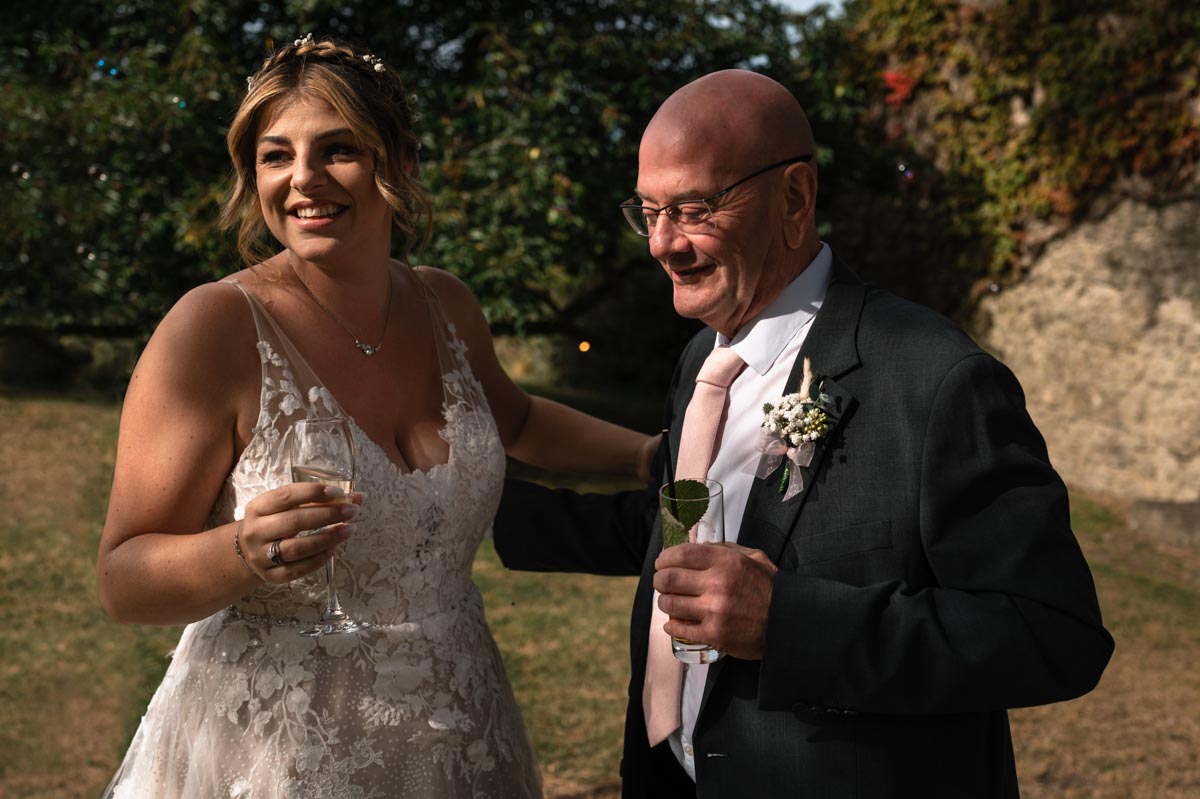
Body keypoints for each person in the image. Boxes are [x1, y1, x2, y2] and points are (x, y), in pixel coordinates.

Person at [493, 69, 1114, 797]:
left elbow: (1053, 633)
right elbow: (687, 521)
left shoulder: (935, 377)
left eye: (694, 208)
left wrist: (790, 622)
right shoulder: (703, 357)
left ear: (794, 198)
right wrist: (475, 513)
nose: (663, 244)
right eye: (650, 211)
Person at [97, 34, 656, 798]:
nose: (303, 179)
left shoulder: (444, 302)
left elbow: (518, 419)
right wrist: (240, 551)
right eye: (275, 155)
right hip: (278, 754)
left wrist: (653, 456)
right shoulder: (214, 328)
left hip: (462, 735)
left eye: (338, 149)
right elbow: (122, 579)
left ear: (398, 162)